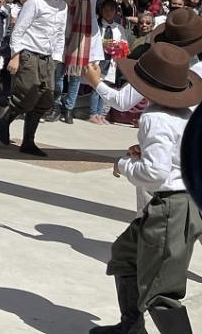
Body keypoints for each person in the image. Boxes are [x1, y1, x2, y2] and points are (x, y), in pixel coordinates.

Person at [85, 43, 202, 334]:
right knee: (125, 256)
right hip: (181, 202)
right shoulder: (186, 115)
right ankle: (130, 327)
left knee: (161, 293)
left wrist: (123, 164)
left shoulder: (154, 118)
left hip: (170, 208)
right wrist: (143, 152)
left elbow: (154, 173)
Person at [0, 0, 80, 157]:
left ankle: (28, 141)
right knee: (27, 95)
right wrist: (15, 56)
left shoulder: (62, 5)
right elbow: (19, 30)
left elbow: (59, 35)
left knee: (45, 97)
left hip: (49, 57)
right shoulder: (35, 3)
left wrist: (57, 59)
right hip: (30, 53)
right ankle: (5, 118)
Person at [59, 0, 124, 125]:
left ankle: (68, 109)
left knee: (75, 75)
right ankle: (55, 105)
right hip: (64, 36)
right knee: (59, 74)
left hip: (84, 38)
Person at [90, 0, 128, 125]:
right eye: (105, 10)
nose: (108, 12)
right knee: (96, 87)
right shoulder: (97, 25)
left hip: (111, 61)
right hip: (98, 59)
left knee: (106, 88)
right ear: (101, 11)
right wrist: (104, 43)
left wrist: (117, 47)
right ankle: (93, 113)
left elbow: (124, 46)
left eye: (111, 10)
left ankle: (101, 114)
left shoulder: (119, 28)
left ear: (116, 12)